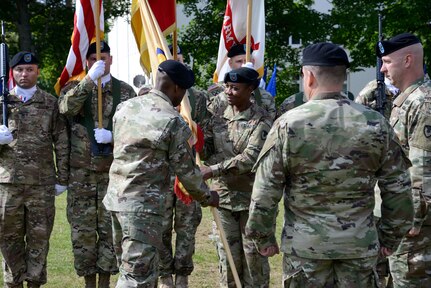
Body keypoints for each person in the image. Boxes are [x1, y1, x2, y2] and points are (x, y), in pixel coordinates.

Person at [245, 42, 414, 287]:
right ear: (343, 77)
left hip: (305, 250)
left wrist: (262, 237)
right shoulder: (376, 124)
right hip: (358, 247)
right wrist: (390, 237)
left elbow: (265, 191)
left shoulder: (288, 124)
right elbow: (398, 190)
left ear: (309, 76)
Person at [103, 60, 219, 287]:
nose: (181, 98)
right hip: (142, 208)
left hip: (116, 202)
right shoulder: (171, 120)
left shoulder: (125, 108)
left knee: (128, 271)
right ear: (176, 88)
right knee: (138, 279)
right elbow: (186, 171)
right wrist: (207, 196)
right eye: (183, 92)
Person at [58, 41, 136, 288]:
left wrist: (114, 136)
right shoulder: (74, 88)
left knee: (110, 232)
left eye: (103, 57)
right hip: (81, 175)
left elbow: (134, 129)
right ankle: (89, 283)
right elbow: (66, 109)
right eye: (93, 58)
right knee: (83, 233)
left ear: (111, 59)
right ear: (87, 62)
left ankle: (105, 282)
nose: (98, 61)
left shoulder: (125, 91)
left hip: (113, 174)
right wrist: (89, 80)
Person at [0, 51, 69, 288]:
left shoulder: (50, 102)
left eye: (29, 69)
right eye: (19, 70)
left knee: (39, 238)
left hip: (41, 184)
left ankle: (35, 283)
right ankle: (13, 283)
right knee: (8, 238)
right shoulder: (2, 102)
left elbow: (61, 141)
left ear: (37, 71)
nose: (24, 74)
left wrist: (63, 178)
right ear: (12, 73)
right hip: (8, 183)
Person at [200, 66, 273, 287]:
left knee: (253, 260)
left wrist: (213, 170)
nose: (229, 92)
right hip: (222, 198)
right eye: (227, 87)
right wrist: (196, 137)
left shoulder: (261, 121)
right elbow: (208, 151)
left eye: (235, 88)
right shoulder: (218, 117)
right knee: (227, 257)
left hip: (251, 200)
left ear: (251, 89)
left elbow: (249, 158)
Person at [377, 32, 431, 287]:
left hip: (413, 227)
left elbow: (423, 167)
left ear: (408, 60)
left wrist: (412, 220)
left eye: (387, 61)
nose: (382, 68)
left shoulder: (423, 102)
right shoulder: (407, 99)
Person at [157, 45, 210, 288]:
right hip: (160, 174)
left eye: (176, 56)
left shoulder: (197, 97)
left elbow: (208, 132)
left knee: (187, 226)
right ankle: (165, 275)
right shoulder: (149, 97)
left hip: (187, 171)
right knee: (161, 226)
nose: (173, 59)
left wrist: (196, 135)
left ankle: (183, 275)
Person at [208, 44, 277, 120]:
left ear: (253, 62)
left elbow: (271, 121)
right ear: (230, 63)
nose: (243, 65)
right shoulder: (216, 91)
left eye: (247, 61)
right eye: (239, 61)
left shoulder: (264, 96)